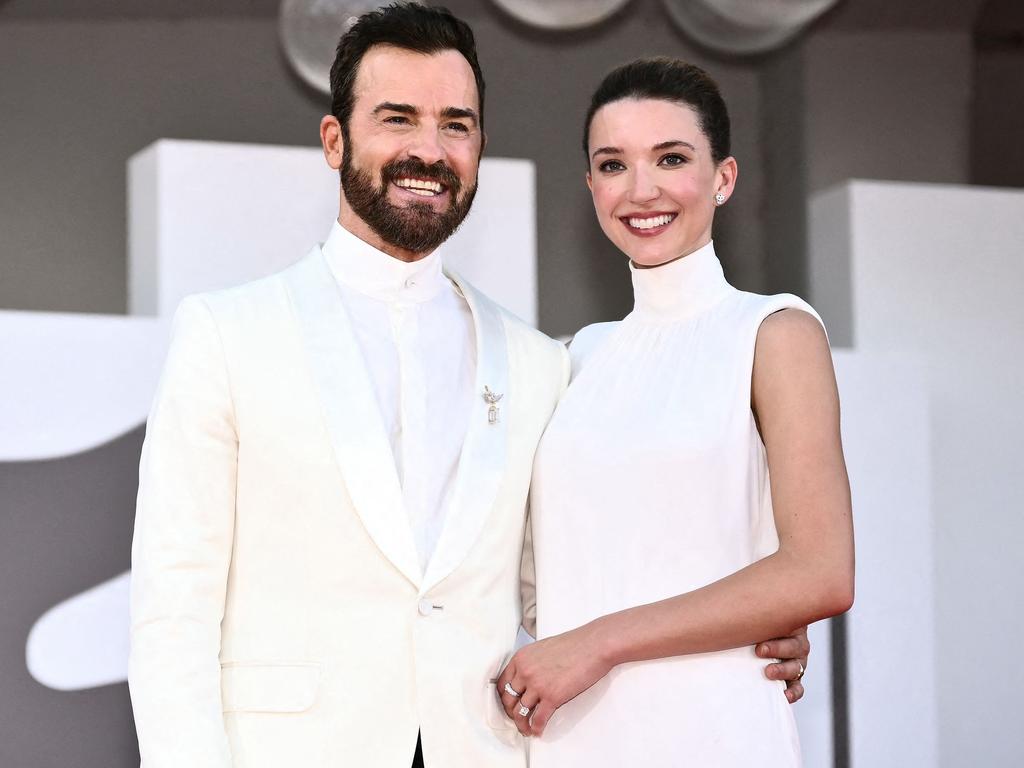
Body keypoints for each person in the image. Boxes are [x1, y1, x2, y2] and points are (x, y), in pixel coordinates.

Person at [128, 5, 812, 767]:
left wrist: (742, 628)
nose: (429, 149)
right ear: (335, 140)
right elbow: (171, 610)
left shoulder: (537, 360)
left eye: (456, 124)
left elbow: (559, 577)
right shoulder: (227, 334)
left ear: (480, 147)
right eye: (397, 118)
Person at [498, 58, 855, 767]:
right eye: (612, 164)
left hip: (714, 729)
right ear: (592, 186)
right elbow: (538, 570)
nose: (642, 189)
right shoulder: (575, 358)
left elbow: (821, 571)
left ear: (723, 178)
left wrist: (598, 643)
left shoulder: (773, 333)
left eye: (671, 158)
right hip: (573, 737)